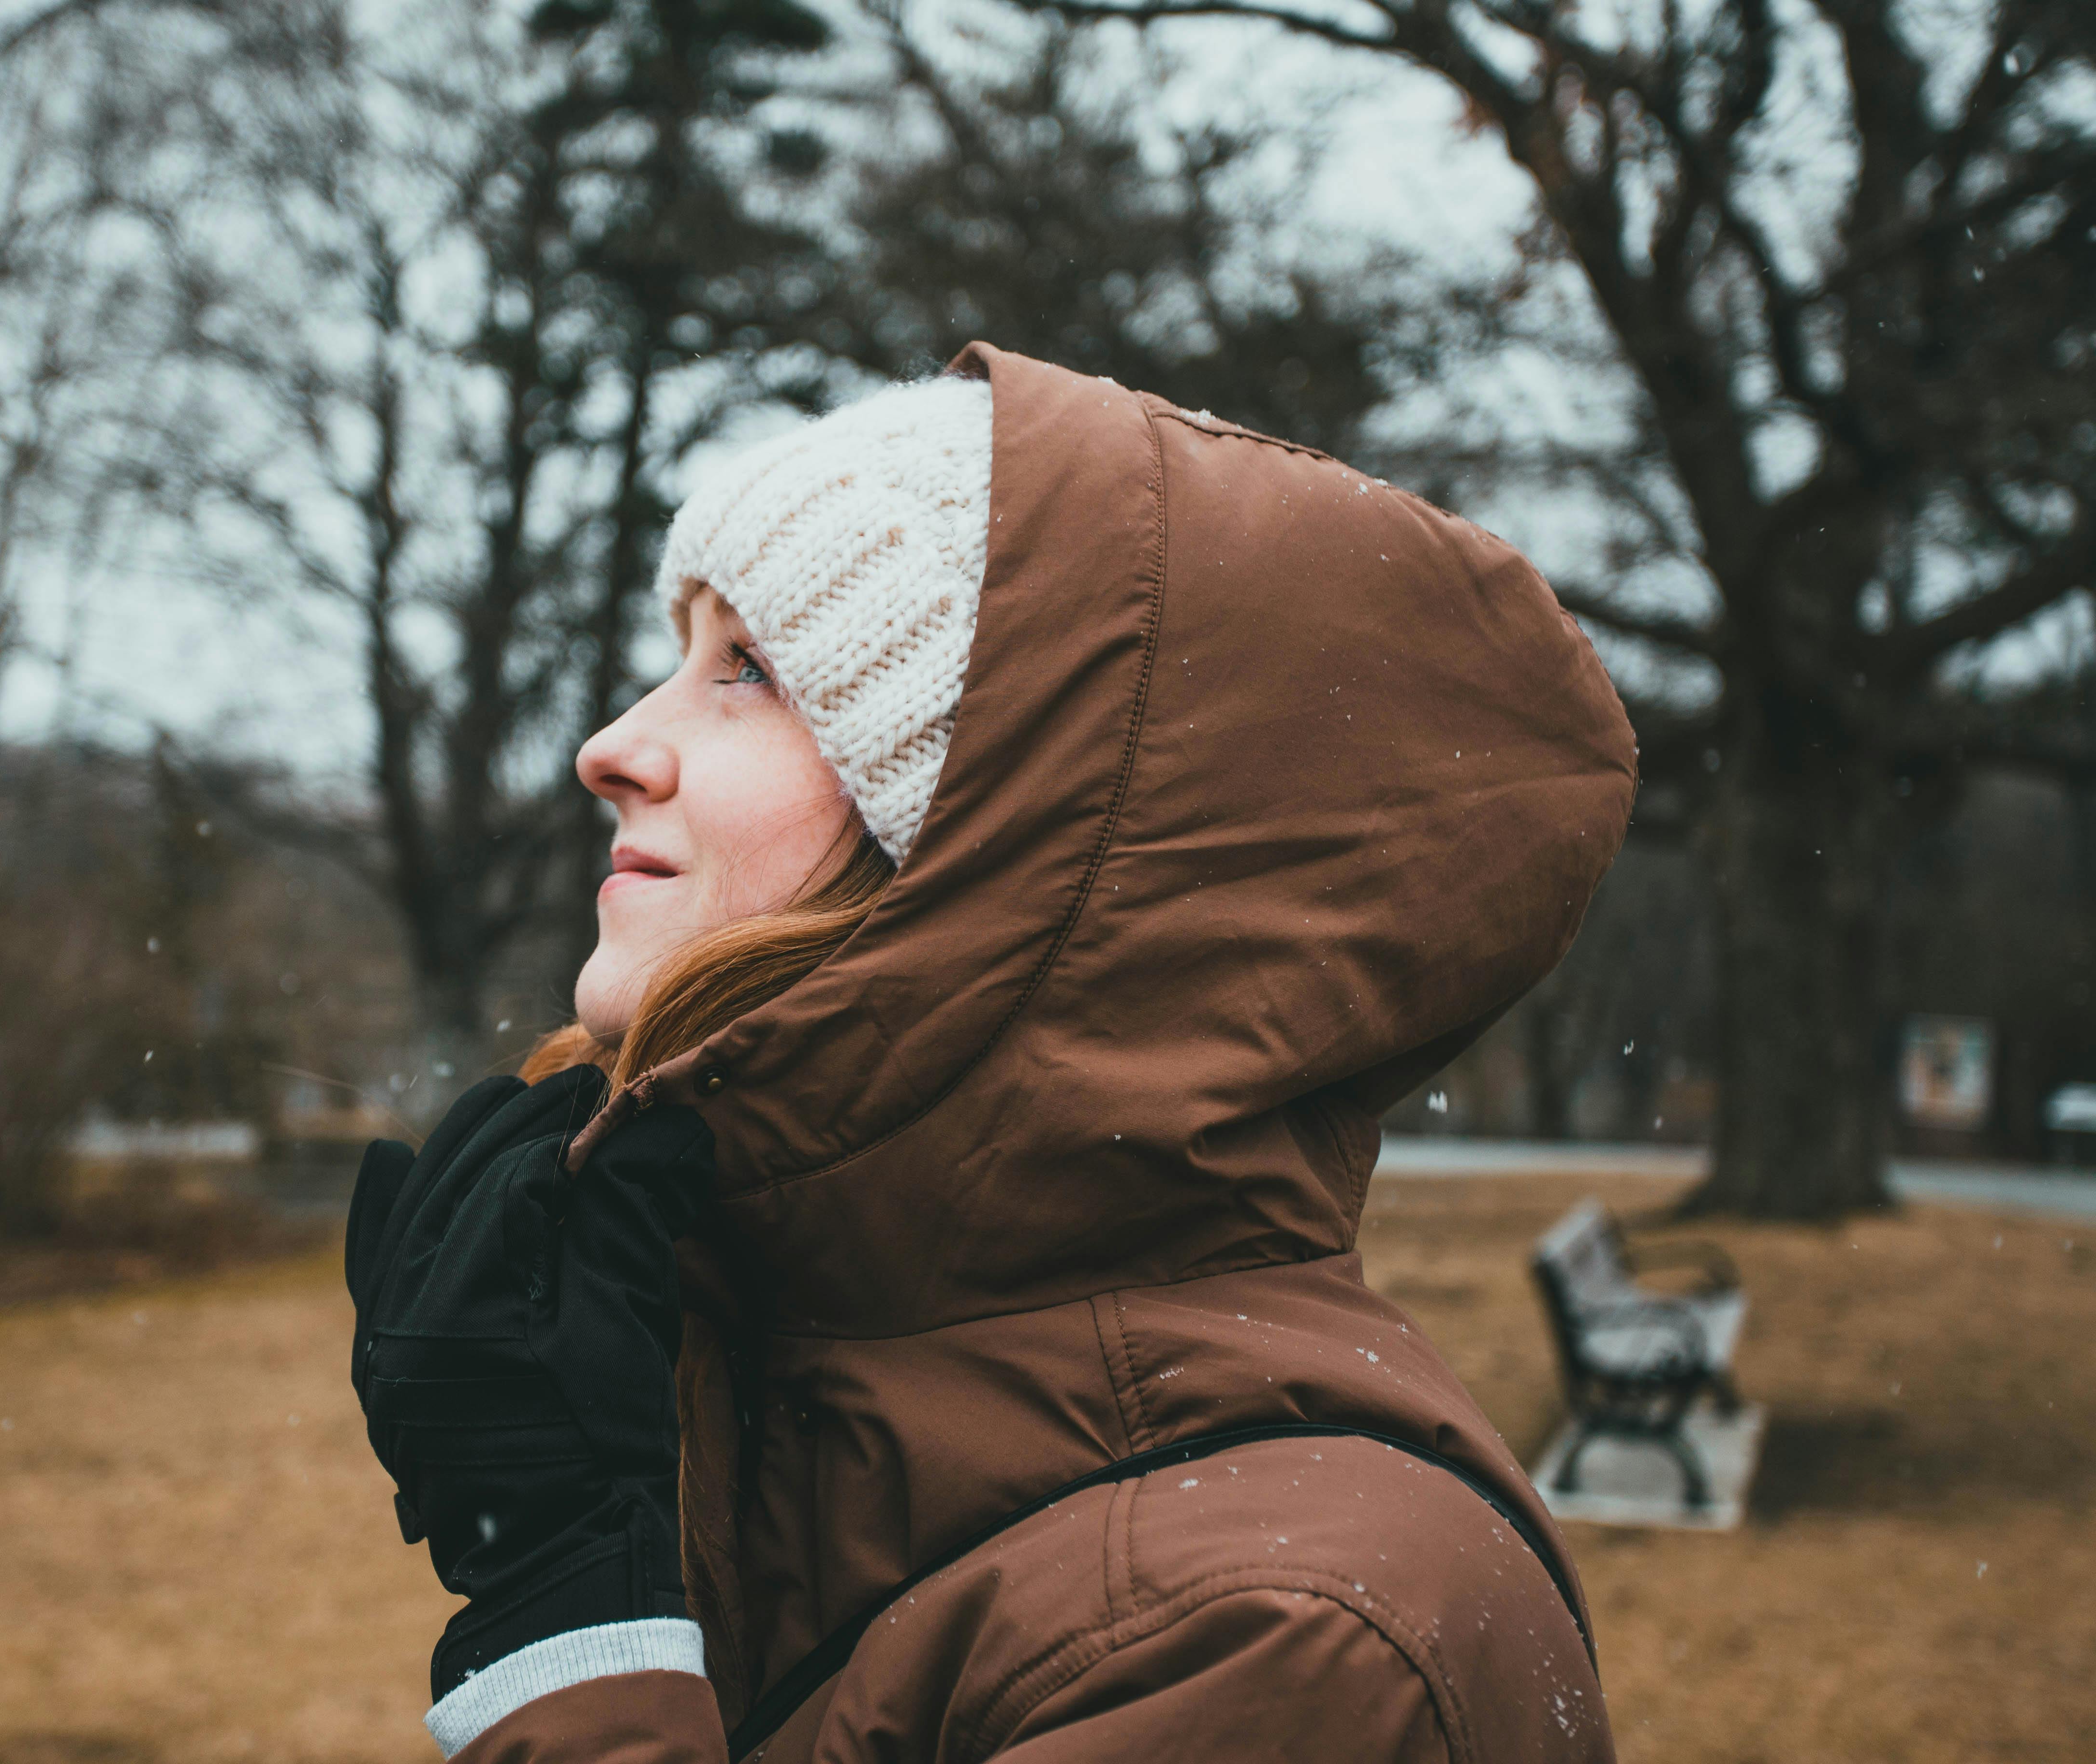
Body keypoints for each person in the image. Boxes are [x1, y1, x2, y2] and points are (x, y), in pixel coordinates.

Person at [346, 343, 1634, 1762]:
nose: (612, 744)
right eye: (682, 657)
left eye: (752, 672)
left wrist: (569, 1634)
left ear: (1005, 848)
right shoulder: (793, 1383)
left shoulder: (1294, 1639)